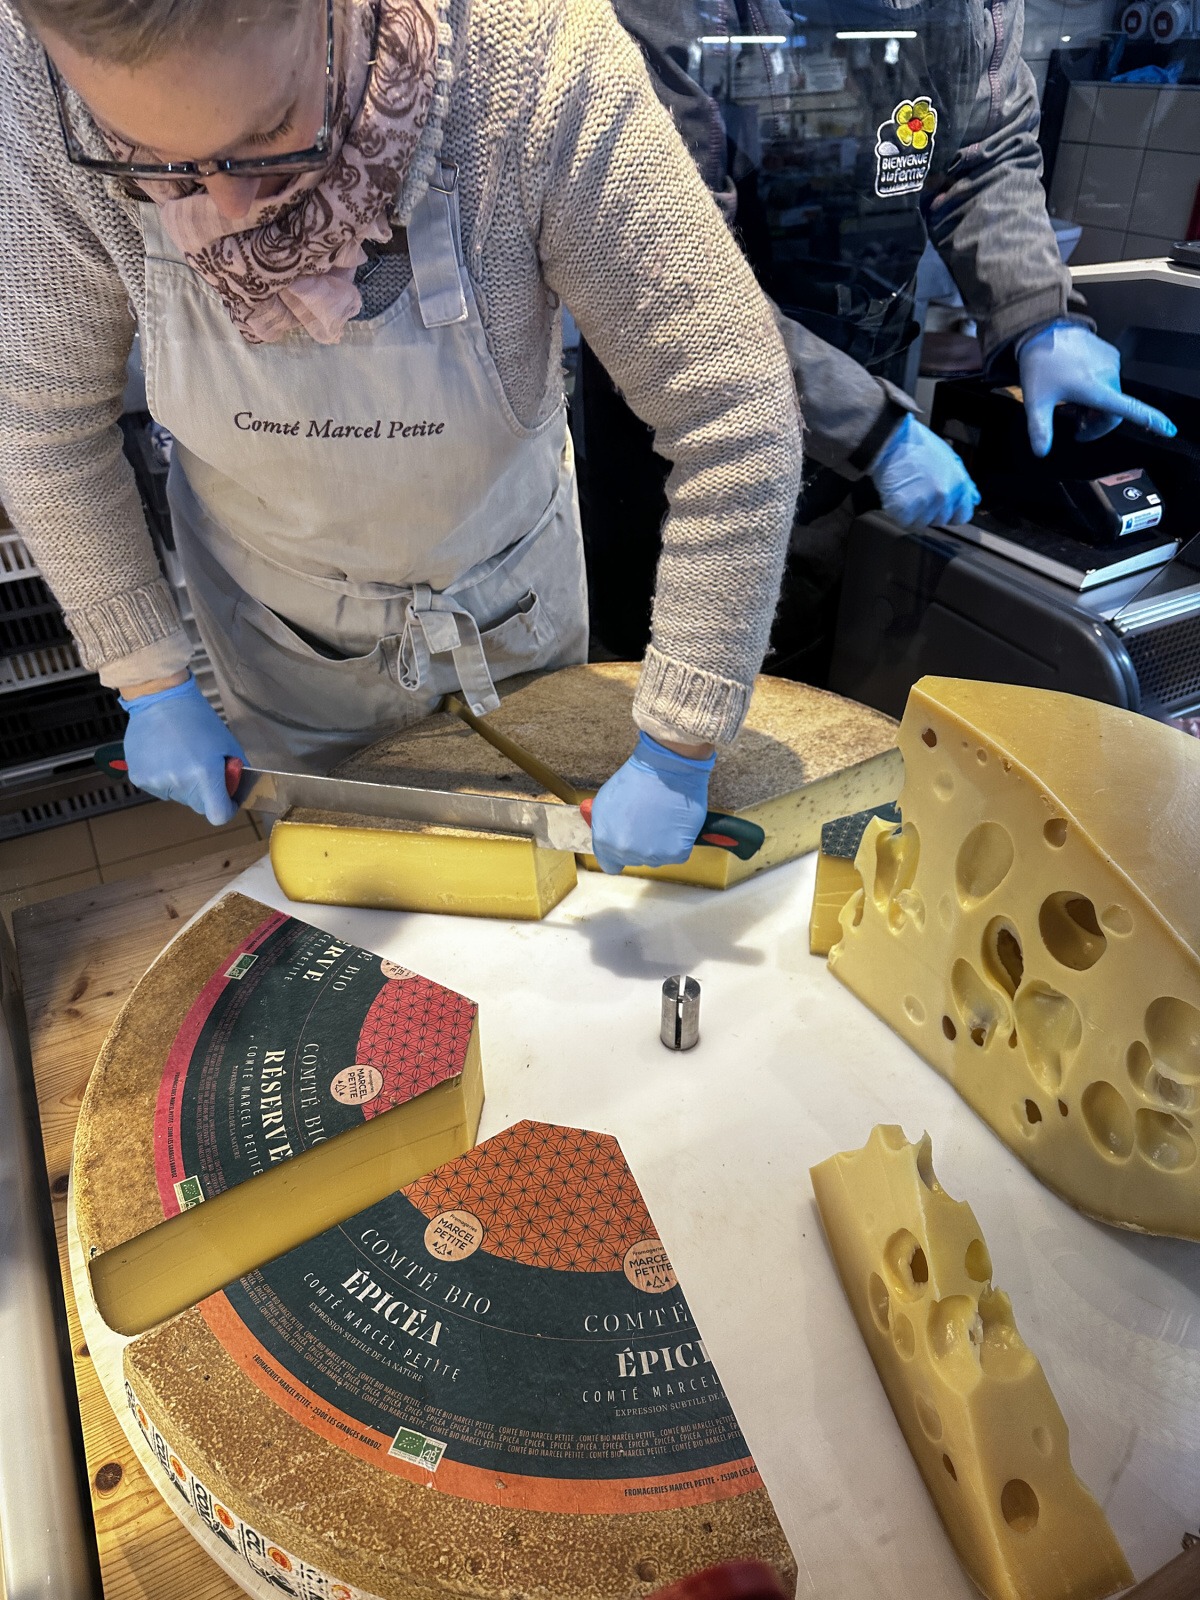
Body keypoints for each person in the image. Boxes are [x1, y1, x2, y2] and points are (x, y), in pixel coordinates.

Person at [0, 0, 803, 876]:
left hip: (511, 604)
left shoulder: (531, 58)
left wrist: (680, 741)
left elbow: (733, 411)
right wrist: (147, 678)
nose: (227, 207)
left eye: (268, 132)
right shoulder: (37, 75)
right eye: (151, 159)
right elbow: (43, 426)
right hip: (281, 640)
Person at [578, 0, 1176, 679]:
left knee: (809, 652)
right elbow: (669, 261)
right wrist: (869, 427)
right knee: (668, 668)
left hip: (865, 381)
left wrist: (1037, 311)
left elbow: (984, 154)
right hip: (692, 414)